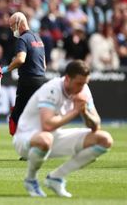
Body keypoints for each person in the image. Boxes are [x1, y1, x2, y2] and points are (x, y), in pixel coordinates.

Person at [13, 60, 113, 197]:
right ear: (67, 79)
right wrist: (75, 111)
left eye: (85, 83)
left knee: (104, 139)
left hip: (53, 138)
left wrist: (85, 112)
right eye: (79, 83)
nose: (82, 87)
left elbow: (96, 126)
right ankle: (31, 180)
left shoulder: (84, 89)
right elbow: (47, 125)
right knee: (45, 138)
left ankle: (56, 178)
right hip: (26, 140)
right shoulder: (52, 89)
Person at [3, 12, 47, 135]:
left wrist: (7, 69)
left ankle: (24, 145)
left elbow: (21, 59)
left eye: (12, 26)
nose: (12, 29)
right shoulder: (38, 38)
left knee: (18, 115)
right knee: (35, 114)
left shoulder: (22, 39)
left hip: (27, 81)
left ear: (19, 23)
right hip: (41, 80)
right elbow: (44, 64)